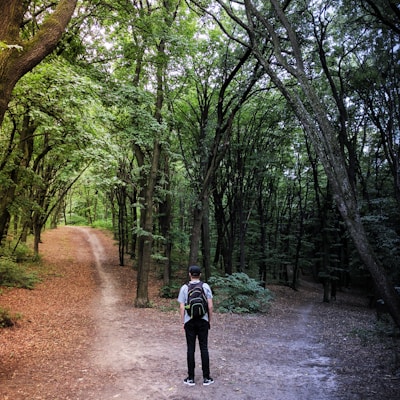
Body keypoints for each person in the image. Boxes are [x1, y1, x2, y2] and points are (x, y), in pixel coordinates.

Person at [178, 265, 214, 386]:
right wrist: (209, 320)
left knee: (190, 348)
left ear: (189, 274)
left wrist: (183, 321)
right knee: (204, 348)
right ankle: (206, 378)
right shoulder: (205, 286)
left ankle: (191, 378)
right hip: (203, 321)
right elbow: (210, 306)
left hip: (190, 321)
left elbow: (182, 307)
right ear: (200, 274)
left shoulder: (184, 288)